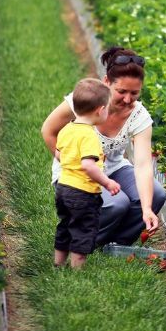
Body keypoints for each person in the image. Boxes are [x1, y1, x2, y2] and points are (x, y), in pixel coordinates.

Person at [42, 47, 166, 249]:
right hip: (78, 171)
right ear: (106, 82)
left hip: (114, 169)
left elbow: (143, 165)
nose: (128, 99)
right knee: (117, 204)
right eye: (121, 92)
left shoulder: (139, 116)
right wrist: (65, 159)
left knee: (157, 194)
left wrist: (146, 208)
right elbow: (48, 130)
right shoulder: (84, 101)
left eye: (134, 93)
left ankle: (115, 244)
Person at [54, 78, 121, 268]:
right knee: (83, 230)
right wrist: (107, 182)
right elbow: (88, 166)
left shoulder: (67, 129)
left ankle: (58, 265)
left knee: (65, 226)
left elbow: (59, 154)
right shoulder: (89, 135)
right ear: (100, 110)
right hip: (82, 192)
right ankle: (78, 272)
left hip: (63, 187)